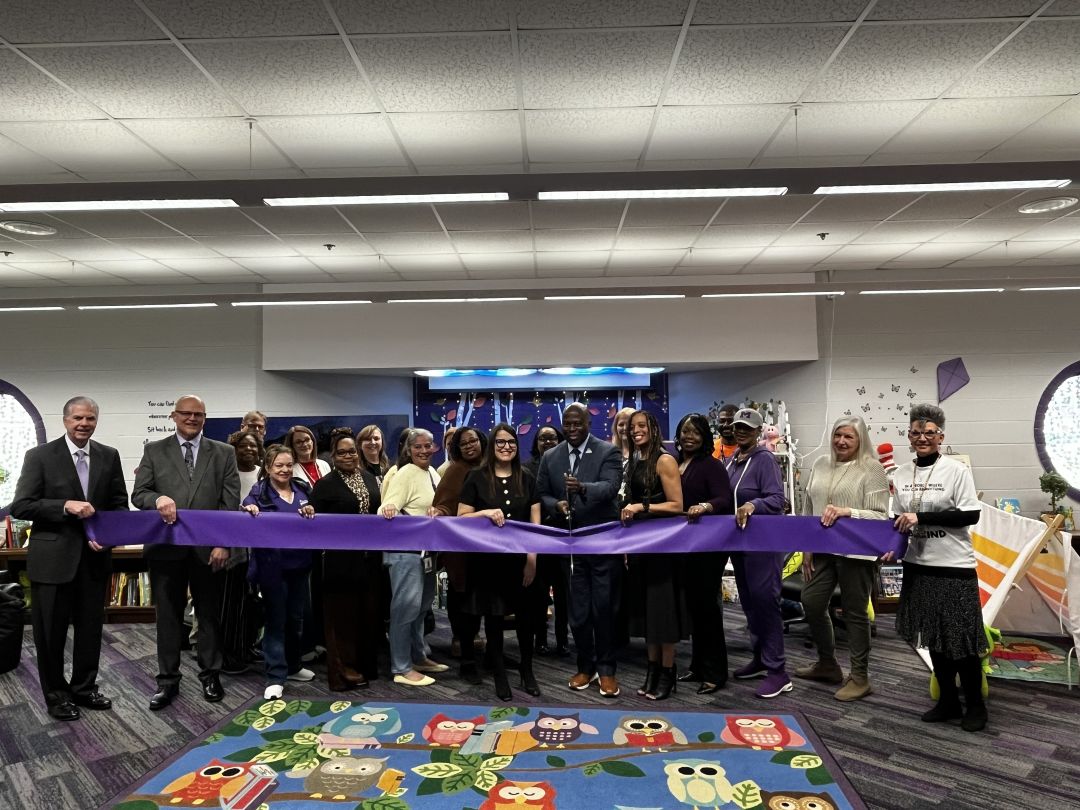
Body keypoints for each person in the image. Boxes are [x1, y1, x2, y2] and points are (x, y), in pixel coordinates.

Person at [11, 396, 129, 721]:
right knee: (50, 634)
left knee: (91, 630)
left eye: (90, 418)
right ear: (65, 420)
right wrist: (65, 506)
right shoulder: (40, 456)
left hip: (94, 560)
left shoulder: (109, 455)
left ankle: (84, 688)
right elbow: (22, 505)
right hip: (52, 562)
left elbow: (119, 504)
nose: (83, 424)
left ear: (96, 421)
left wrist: (107, 536)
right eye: (77, 418)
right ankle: (56, 696)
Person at [132, 394, 241, 710]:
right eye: (186, 413)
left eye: (198, 414)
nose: (192, 419)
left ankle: (210, 675)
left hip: (209, 550)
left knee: (208, 615)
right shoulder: (155, 450)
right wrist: (157, 499)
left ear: (204, 418)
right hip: (166, 549)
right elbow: (139, 493)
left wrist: (223, 543)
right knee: (167, 617)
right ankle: (167, 682)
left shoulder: (223, 453)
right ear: (174, 416)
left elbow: (229, 503)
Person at [893, 403, 986, 732]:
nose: (922, 437)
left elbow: (969, 515)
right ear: (909, 436)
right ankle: (947, 701)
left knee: (962, 641)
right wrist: (888, 550)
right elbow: (896, 521)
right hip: (919, 566)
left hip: (954, 567)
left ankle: (975, 706)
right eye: (916, 433)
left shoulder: (956, 471)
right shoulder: (901, 475)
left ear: (940, 437)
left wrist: (923, 517)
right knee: (934, 640)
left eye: (929, 433)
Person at [797, 415, 889, 701]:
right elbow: (809, 505)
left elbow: (881, 515)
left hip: (856, 552)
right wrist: (806, 546)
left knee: (855, 613)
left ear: (860, 440)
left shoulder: (871, 468)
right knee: (811, 601)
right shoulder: (821, 463)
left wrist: (849, 511)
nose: (841, 441)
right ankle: (828, 664)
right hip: (823, 548)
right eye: (838, 435)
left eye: (849, 436)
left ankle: (860, 677)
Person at [535, 403, 622, 697]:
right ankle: (585, 666)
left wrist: (582, 488)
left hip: (601, 544)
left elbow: (611, 488)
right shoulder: (551, 456)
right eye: (568, 425)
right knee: (578, 612)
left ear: (588, 423)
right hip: (569, 547)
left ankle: (607, 669)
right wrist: (555, 505)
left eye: (578, 424)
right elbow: (542, 493)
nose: (572, 430)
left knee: (603, 609)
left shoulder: (608, 451)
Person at [458, 423, 544, 701]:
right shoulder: (476, 477)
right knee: (493, 620)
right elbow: (460, 519)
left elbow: (535, 522)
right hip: (487, 563)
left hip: (521, 561)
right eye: (500, 442)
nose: (506, 447)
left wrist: (532, 558)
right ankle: (499, 675)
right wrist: (484, 513)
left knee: (526, 620)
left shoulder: (528, 477)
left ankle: (526, 672)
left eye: (511, 443)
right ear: (492, 446)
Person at [308, 429, 384, 691]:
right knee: (341, 619)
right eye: (341, 452)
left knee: (368, 615)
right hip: (339, 562)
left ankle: (364, 666)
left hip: (369, 560)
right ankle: (342, 672)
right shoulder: (325, 485)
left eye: (352, 451)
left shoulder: (370, 478)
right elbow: (313, 522)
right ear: (333, 455)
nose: (348, 456)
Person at [723, 407, 790, 699]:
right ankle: (761, 657)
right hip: (740, 545)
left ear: (758, 432)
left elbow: (778, 498)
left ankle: (779, 671)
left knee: (765, 603)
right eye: (738, 427)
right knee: (749, 602)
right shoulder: (732, 461)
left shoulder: (765, 459)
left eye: (748, 429)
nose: (741, 432)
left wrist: (754, 505)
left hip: (762, 544)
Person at [241, 445, 316, 699]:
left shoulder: (303, 489)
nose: (284, 470)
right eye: (278, 465)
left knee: (296, 620)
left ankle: (294, 666)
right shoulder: (260, 491)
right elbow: (247, 505)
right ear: (268, 467)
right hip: (272, 567)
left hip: (300, 565)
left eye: (288, 465)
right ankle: (275, 675)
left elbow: (316, 516)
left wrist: (310, 511)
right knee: (276, 620)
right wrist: (250, 509)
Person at [620, 410, 684, 700]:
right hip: (639, 548)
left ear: (653, 428)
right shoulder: (635, 461)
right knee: (647, 615)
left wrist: (641, 507)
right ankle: (652, 669)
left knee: (663, 615)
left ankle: (668, 673)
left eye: (641, 426)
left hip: (662, 548)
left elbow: (676, 505)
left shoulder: (664, 459)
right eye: (632, 428)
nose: (636, 431)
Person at [379, 428, 447, 686]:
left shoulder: (431, 472)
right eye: (417, 446)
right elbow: (388, 507)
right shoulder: (404, 472)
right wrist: (389, 509)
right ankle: (401, 666)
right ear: (408, 449)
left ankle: (418, 656)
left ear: (435, 447)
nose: (423, 451)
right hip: (405, 553)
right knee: (404, 610)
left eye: (427, 446)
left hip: (427, 553)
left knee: (420, 608)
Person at [673, 412, 734, 695]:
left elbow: (724, 499)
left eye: (695, 432)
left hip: (707, 548)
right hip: (684, 548)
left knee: (708, 611)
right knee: (695, 610)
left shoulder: (711, 465)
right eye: (685, 431)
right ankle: (698, 665)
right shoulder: (676, 463)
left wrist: (705, 506)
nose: (689, 436)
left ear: (705, 437)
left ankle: (715, 673)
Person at [432, 427, 488, 665]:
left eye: (472, 441)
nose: (469, 446)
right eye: (463, 444)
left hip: (487, 546)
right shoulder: (455, 470)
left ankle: (475, 636)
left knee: (481, 593)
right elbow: (444, 504)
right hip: (460, 547)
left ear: (481, 441)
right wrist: (439, 511)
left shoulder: (491, 466)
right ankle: (459, 639)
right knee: (460, 593)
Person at [283, 425, 330, 663]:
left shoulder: (324, 465)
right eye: (299, 442)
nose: (304, 444)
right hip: (303, 537)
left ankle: (322, 640)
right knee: (306, 595)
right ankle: (306, 644)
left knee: (322, 591)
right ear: (292, 446)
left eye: (308, 440)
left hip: (327, 537)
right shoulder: (290, 469)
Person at [219, 429, 265, 676]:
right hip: (234, 548)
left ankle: (248, 646)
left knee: (252, 604)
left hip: (257, 548)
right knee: (233, 602)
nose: (249, 450)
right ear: (233, 450)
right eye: (243, 447)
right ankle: (229, 654)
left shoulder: (262, 474)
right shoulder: (227, 473)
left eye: (254, 447)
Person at [528, 425, 570, 657]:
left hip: (563, 538)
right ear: (536, 443)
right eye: (542, 438)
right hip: (538, 540)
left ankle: (563, 640)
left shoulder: (567, 466)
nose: (547, 442)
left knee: (564, 595)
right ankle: (540, 639)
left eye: (552, 438)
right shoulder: (527, 468)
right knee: (539, 595)